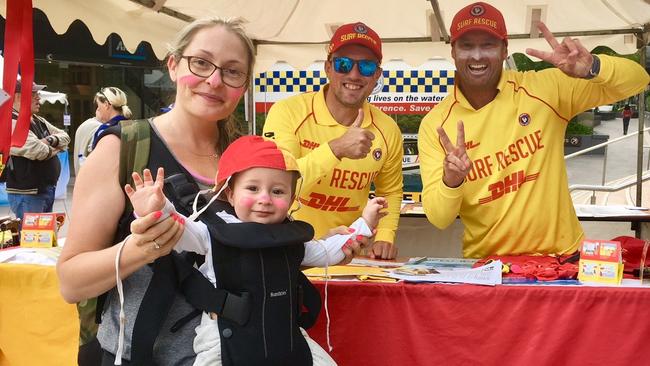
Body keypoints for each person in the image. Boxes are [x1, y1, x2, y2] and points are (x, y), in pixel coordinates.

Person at [57, 18, 330, 365]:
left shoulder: (250, 157)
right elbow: (71, 283)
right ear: (173, 65)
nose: (214, 81)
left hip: (242, 355)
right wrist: (140, 249)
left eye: (232, 72)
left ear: (243, 85)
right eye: (201, 63)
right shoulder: (122, 150)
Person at [418, 2, 650, 259]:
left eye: (488, 45)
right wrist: (452, 179)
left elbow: (638, 79)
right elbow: (439, 218)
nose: (476, 56)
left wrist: (592, 67)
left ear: (505, 48)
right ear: (453, 50)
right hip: (489, 269)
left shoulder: (544, 89)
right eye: (466, 45)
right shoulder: (435, 124)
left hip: (562, 259)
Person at [124, 135, 382, 365]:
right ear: (230, 194)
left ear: (292, 200)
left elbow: (329, 250)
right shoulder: (212, 232)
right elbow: (177, 231)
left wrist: (365, 223)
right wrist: (156, 209)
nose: (265, 198)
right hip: (223, 341)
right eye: (252, 188)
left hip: (285, 337)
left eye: (278, 191)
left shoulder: (292, 239)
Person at [263, 22, 403, 259]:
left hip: (347, 253)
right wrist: (335, 149)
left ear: (377, 74)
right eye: (344, 64)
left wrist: (384, 237)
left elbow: (389, 190)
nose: (354, 75)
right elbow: (275, 185)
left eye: (367, 67)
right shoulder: (287, 112)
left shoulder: (387, 129)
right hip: (289, 250)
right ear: (328, 68)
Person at [5, 79, 70, 222]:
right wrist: (55, 146)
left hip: (43, 190)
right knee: (31, 240)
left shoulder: (37, 119)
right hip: (27, 193)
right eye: (33, 93)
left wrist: (50, 141)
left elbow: (65, 136)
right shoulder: (11, 121)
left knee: (43, 239)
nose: (38, 97)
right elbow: (40, 152)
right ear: (17, 96)